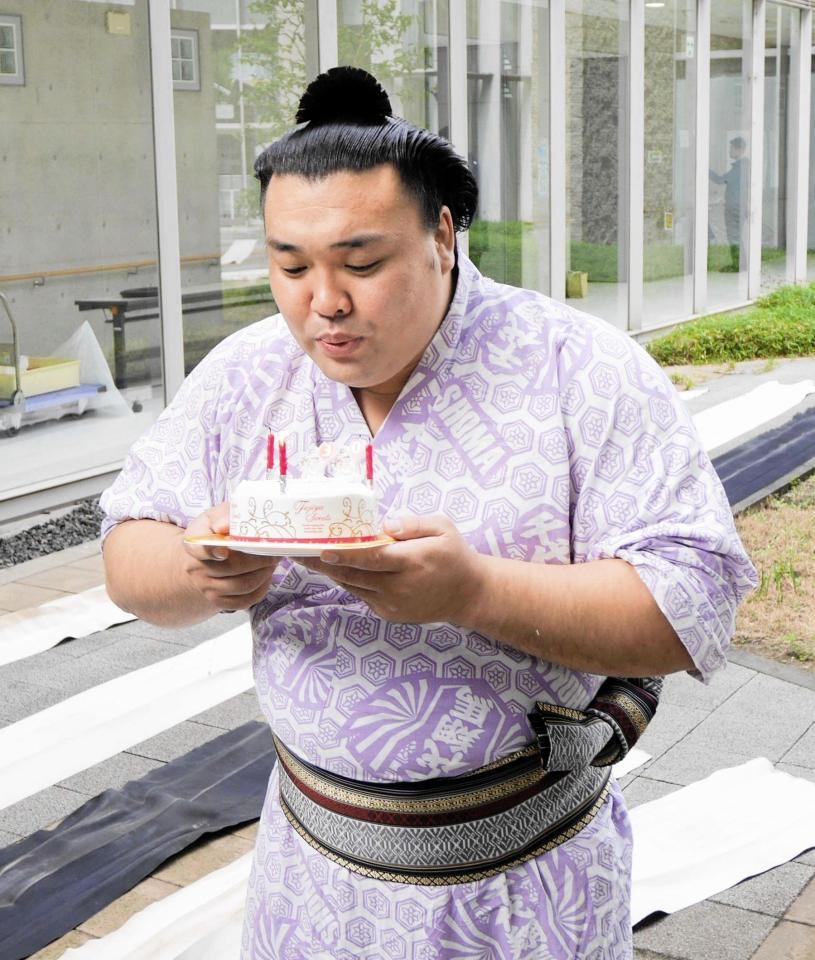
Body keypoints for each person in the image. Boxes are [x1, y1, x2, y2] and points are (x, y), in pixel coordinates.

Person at [101, 68, 758, 959]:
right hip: (311, 878)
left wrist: (473, 589)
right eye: (289, 265)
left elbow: (692, 607)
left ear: (442, 234)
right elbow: (129, 553)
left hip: (523, 887)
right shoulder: (247, 374)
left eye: (361, 263)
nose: (321, 301)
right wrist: (200, 566)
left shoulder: (579, 368)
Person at [709, 136, 749, 272]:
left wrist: (704, 168)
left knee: (734, 237)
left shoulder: (740, 167)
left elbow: (721, 180)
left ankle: (738, 265)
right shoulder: (743, 166)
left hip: (735, 208)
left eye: (731, 149)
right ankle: (741, 264)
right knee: (736, 236)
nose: (729, 151)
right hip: (739, 206)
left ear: (740, 149)